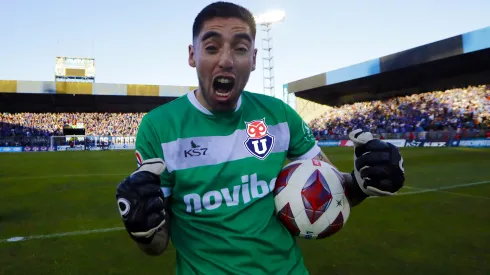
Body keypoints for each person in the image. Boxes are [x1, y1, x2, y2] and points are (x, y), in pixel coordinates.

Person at [115, 2, 405, 274]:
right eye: (212, 47)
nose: (226, 60)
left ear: (253, 59)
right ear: (193, 55)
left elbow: (331, 190)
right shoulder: (158, 127)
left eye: (240, 49)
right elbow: (157, 244)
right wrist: (143, 229)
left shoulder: (279, 115)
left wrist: (361, 183)